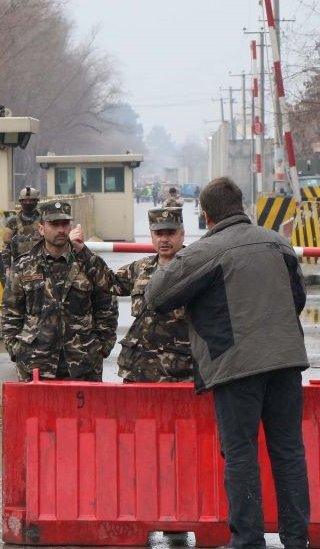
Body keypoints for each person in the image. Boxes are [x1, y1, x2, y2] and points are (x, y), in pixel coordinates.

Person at [145, 177, 310, 549]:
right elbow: (296, 298)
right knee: (288, 451)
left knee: (240, 454)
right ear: (242, 206)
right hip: (285, 361)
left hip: (236, 368)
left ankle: (248, 540)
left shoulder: (208, 250)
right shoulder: (278, 243)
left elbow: (158, 295)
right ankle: (296, 540)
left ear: (205, 216)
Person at [72, 208, 194, 383]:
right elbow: (109, 281)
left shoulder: (195, 269)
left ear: (182, 234)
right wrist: (81, 250)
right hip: (138, 371)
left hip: (178, 374)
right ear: (152, 236)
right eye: (159, 233)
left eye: (171, 233)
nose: (164, 239)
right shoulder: (141, 268)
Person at [0, 201, 117, 382]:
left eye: (65, 224)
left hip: (83, 360)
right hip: (36, 361)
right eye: (54, 224)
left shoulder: (89, 263)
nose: (61, 230)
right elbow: (11, 311)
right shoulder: (24, 266)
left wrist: (102, 348)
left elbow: (106, 306)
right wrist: (16, 349)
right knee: (38, 411)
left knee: (84, 411)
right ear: (41, 228)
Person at [0, 186, 42, 272]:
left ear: (36, 201)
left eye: (31, 200)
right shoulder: (13, 222)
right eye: (25, 200)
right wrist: (7, 268)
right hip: (19, 266)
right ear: (21, 202)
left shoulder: (44, 220)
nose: (28, 203)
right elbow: (6, 246)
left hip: (41, 265)